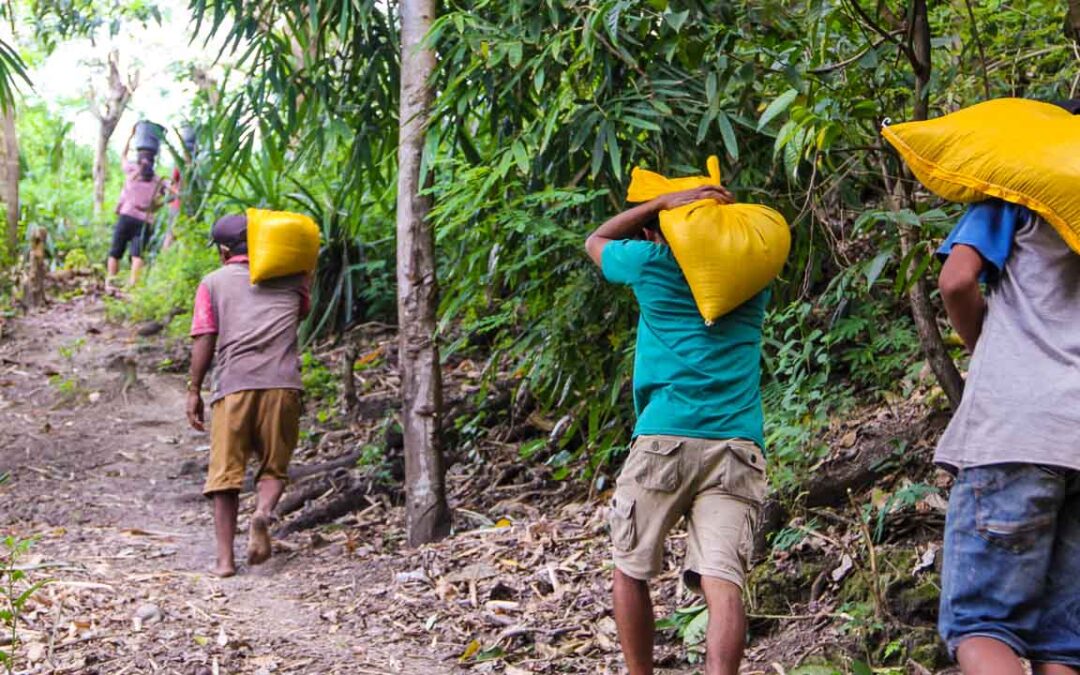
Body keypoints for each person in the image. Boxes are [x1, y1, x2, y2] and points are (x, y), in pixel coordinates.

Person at [585, 183, 769, 675]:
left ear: (657, 232)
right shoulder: (752, 277)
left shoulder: (651, 264)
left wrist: (660, 206)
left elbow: (595, 241)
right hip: (737, 446)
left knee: (630, 567)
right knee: (722, 579)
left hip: (664, 438)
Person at [936, 195, 1080, 672]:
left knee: (979, 626)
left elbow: (956, 281)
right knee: (1061, 645)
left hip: (1015, 431)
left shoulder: (1018, 195)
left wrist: (984, 345)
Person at [186, 213, 310, 578]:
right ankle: (262, 513)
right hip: (283, 385)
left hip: (234, 387)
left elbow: (205, 339)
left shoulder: (213, 282)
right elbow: (302, 312)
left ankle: (225, 561)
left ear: (224, 252)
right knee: (273, 467)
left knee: (224, 476)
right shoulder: (292, 280)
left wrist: (193, 389)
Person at [107, 125, 165, 289]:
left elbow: (123, 156)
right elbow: (173, 192)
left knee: (115, 251)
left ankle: (110, 284)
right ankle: (133, 287)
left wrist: (130, 136)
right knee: (137, 255)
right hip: (145, 221)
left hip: (126, 216)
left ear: (139, 157)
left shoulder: (132, 170)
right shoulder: (158, 179)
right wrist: (155, 205)